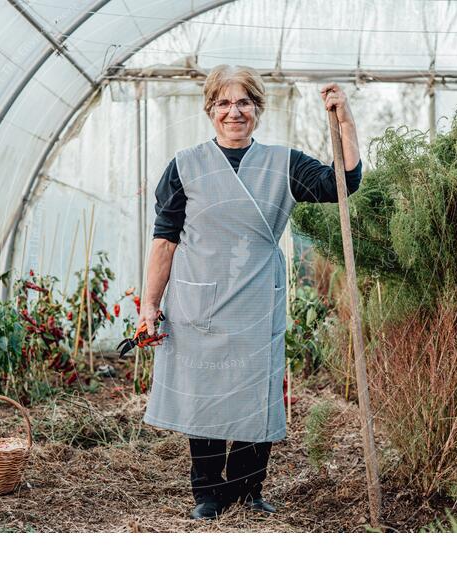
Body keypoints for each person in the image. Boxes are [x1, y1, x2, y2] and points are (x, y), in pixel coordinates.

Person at [138, 64, 362, 520]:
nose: (233, 112)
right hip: (197, 297)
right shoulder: (184, 166)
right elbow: (165, 240)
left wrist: (344, 119)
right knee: (204, 389)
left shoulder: (285, 163)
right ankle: (207, 493)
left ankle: (246, 491)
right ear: (210, 110)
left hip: (257, 296)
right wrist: (149, 304)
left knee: (253, 391)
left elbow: (344, 184)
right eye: (223, 103)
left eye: (243, 102)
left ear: (257, 109)